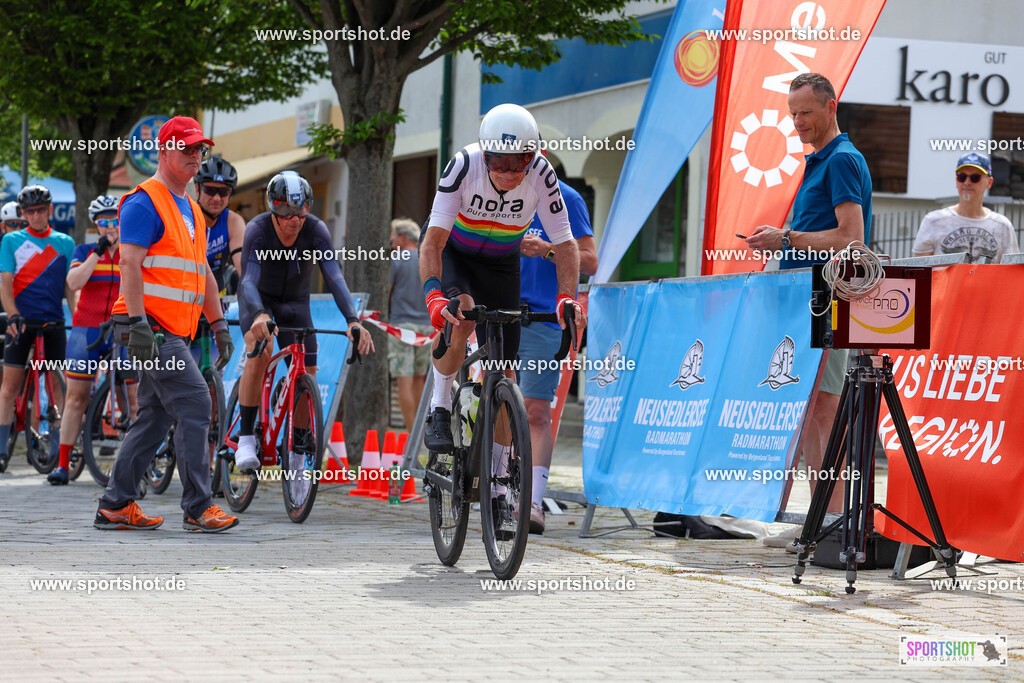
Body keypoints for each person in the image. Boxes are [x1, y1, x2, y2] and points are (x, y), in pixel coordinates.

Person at [419, 102, 588, 462]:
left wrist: (566, 299)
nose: (510, 171)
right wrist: (433, 294)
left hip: (501, 263)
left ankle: (499, 477)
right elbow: (432, 242)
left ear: (534, 155)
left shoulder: (542, 174)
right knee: (462, 317)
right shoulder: (463, 165)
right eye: (499, 162)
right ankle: (439, 406)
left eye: (520, 162)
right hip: (455, 253)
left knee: (504, 371)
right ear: (485, 153)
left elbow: (566, 244)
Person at [745, 73, 872, 550]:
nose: (797, 121)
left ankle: (833, 523)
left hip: (831, 293)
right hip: (811, 293)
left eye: (806, 112)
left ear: (830, 106)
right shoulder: (821, 159)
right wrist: (784, 242)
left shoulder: (841, 159)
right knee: (816, 407)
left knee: (826, 408)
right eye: (792, 112)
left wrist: (787, 239)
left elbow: (851, 238)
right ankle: (823, 519)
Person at [96, 115, 237, 532]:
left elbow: (203, 273)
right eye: (187, 148)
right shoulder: (144, 201)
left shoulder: (190, 207)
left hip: (169, 329)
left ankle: (115, 504)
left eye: (200, 149)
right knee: (195, 402)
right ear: (164, 150)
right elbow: (130, 263)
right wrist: (139, 323)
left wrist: (218, 324)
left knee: (155, 417)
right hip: (150, 328)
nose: (196, 156)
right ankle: (197, 506)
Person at [233, 171, 374, 488]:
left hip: (296, 303)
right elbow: (249, 280)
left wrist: (352, 319)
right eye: (286, 212)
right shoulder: (257, 230)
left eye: (301, 211)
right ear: (273, 209)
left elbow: (334, 276)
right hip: (260, 302)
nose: (294, 219)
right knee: (260, 352)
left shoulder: (315, 230)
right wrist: (257, 315)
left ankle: (296, 454)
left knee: (306, 371)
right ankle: (245, 437)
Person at [517, 179, 597, 533]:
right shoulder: (491, 192)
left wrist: (547, 249)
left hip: (544, 318)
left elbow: (591, 262)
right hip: (496, 314)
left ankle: (533, 503)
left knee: (535, 411)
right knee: (492, 407)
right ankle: (497, 490)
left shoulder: (567, 197)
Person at [48, 196, 139, 485]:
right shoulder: (85, 249)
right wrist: (96, 253)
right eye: (104, 222)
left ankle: (140, 464)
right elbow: (73, 283)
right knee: (76, 397)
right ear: (96, 225)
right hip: (87, 328)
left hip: (123, 327)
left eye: (115, 221)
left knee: (133, 398)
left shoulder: (131, 251)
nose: (110, 227)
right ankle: (62, 465)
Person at [0, 185, 75, 474]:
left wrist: (77, 315)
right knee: (9, 387)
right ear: (23, 213)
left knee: (57, 384)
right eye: (30, 211)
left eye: (41, 210)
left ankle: (57, 446)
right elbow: (5, 284)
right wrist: (13, 315)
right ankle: (2, 448)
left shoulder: (65, 242)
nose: (36, 215)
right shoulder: (11, 240)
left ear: (50, 210)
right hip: (21, 322)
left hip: (53, 321)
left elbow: (69, 287)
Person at [913, 153, 1019, 264]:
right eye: (962, 177)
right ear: (956, 180)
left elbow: (1010, 272)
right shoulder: (933, 221)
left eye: (975, 177)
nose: (967, 182)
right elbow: (919, 272)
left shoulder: (1003, 226)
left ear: (989, 182)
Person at [388, 218, 432, 429]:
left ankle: (409, 434)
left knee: (403, 382)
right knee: (418, 381)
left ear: (403, 237)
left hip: (401, 327)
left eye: (393, 235)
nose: (391, 240)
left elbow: (386, 290)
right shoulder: (426, 258)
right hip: (427, 327)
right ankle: (420, 435)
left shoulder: (397, 258)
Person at [195, 155, 245, 294]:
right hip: (186, 301)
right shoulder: (185, 218)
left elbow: (245, 269)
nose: (217, 198)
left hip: (218, 302)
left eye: (223, 192)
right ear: (197, 189)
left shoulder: (233, 222)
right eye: (210, 190)